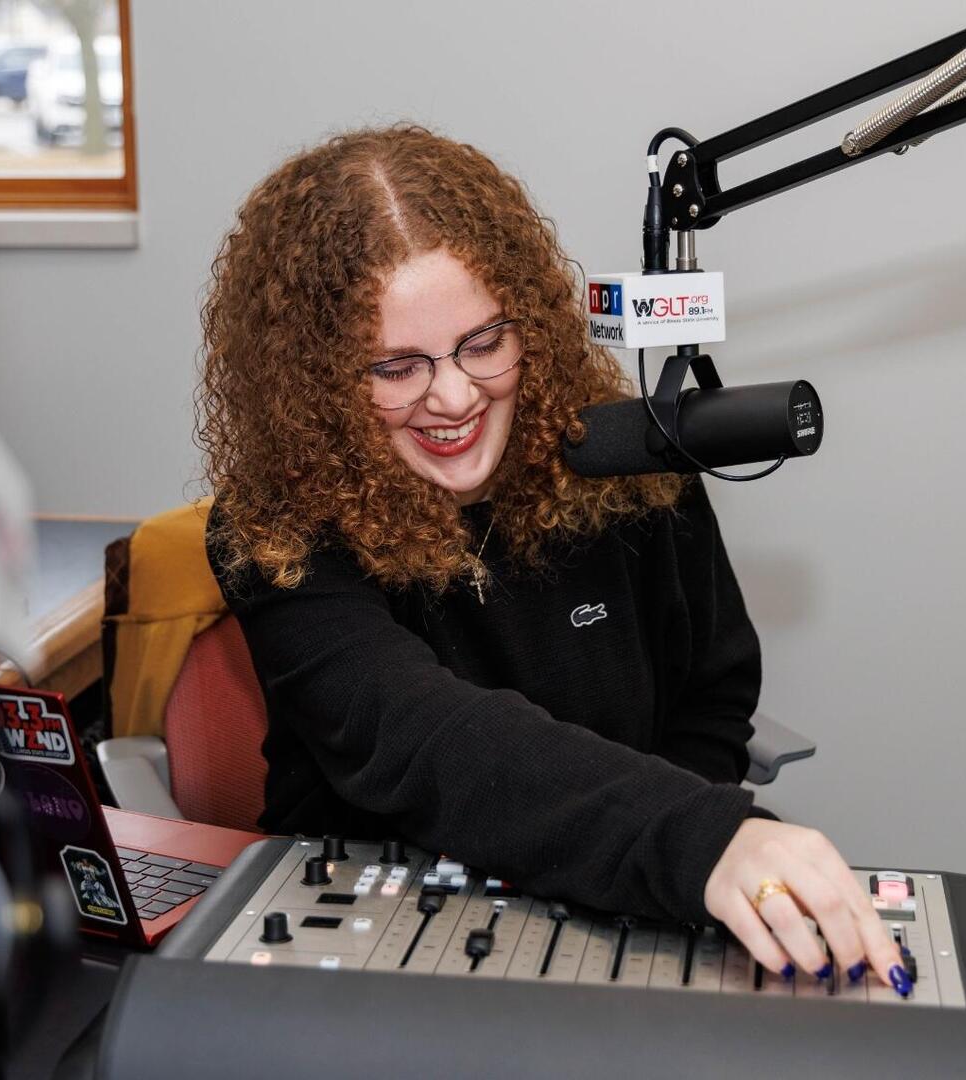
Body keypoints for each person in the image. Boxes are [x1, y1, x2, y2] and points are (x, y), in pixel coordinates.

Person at [197, 125, 909, 994]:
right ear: (316, 383)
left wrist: (657, 888)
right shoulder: (275, 531)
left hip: (625, 900)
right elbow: (423, 738)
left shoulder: (629, 463)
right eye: (395, 366)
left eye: (484, 343)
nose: (454, 396)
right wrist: (698, 839)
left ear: (527, 319)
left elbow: (713, 695)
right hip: (379, 942)